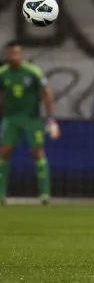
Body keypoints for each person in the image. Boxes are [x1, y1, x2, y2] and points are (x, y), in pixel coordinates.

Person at [0, 40, 60, 205]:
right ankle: (1, 194)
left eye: (17, 53)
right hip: (11, 118)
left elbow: (46, 93)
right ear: (7, 55)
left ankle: (45, 194)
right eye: (11, 53)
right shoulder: (3, 73)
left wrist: (51, 118)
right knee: (4, 152)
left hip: (31, 119)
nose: (14, 57)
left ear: (22, 54)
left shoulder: (32, 72)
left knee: (37, 152)